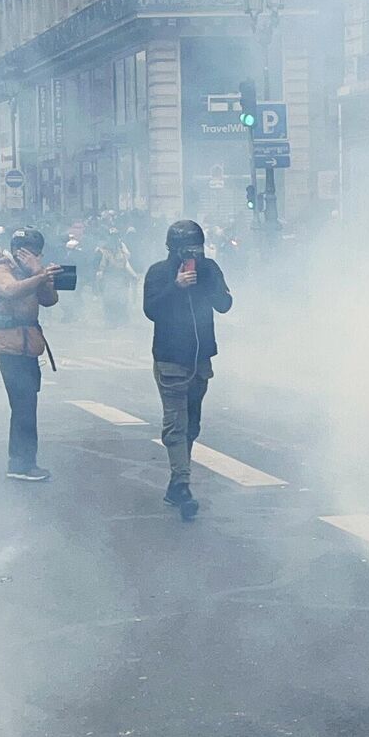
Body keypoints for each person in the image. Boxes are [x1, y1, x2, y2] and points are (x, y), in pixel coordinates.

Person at [141, 221, 233, 519]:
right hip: (170, 357)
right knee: (176, 423)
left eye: (198, 248)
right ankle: (182, 484)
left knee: (192, 424)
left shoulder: (209, 268)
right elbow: (151, 310)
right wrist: (176, 287)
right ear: (174, 250)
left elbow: (225, 304)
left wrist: (207, 280)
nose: (194, 254)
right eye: (188, 249)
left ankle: (175, 483)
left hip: (201, 358)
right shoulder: (158, 272)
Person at [0, 226, 60, 482]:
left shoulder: (32, 271)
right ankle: (20, 463)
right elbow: (9, 290)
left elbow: (50, 300)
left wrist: (40, 273)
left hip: (28, 345)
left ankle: (24, 461)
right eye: (26, 251)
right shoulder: (1, 268)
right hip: (9, 344)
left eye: (35, 252)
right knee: (23, 404)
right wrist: (38, 276)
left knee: (27, 403)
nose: (31, 255)